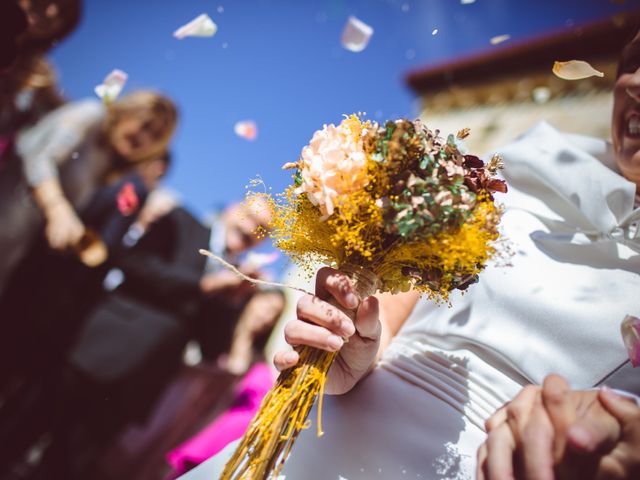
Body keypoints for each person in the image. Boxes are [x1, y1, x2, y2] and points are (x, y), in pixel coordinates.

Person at [183, 28, 640, 480]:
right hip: (334, 427)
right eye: (636, 60)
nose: (637, 83)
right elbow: (391, 311)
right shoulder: (523, 172)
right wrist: (353, 349)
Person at [0, 90, 178, 294]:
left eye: (155, 136)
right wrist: (57, 209)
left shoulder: (106, 164)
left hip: (14, 246)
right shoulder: (91, 114)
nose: (144, 138)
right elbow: (38, 158)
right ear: (129, 111)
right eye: (145, 125)